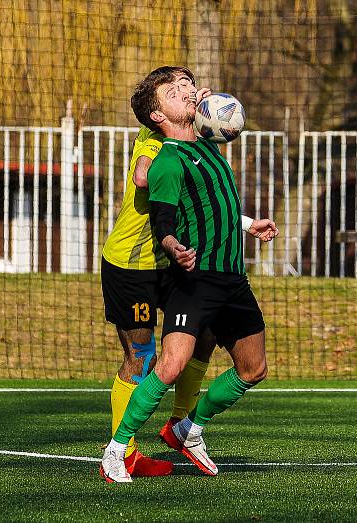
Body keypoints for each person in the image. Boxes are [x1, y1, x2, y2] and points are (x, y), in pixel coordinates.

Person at [100, 66, 277, 480]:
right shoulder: (158, 145)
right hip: (136, 262)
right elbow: (149, 181)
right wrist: (183, 132)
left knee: (226, 350)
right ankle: (120, 450)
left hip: (206, 270)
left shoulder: (203, 145)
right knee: (147, 359)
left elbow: (214, 203)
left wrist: (248, 223)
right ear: (157, 114)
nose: (187, 90)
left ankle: (183, 426)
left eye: (188, 84)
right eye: (174, 88)